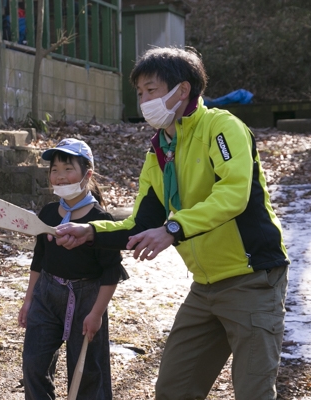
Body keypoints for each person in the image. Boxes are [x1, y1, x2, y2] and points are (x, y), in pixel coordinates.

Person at [53, 47, 289, 399]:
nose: (144, 101)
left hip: (253, 280)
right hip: (204, 288)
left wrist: (173, 229)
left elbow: (233, 195)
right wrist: (89, 231)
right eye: (140, 93)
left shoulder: (222, 128)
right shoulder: (160, 150)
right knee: (173, 390)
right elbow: (140, 223)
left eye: (152, 90)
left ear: (183, 90)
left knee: (254, 392)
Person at [19, 138, 128, 399]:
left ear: (86, 174)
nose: (60, 177)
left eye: (68, 169)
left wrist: (97, 314)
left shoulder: (100, 222)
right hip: (47, 295)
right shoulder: (47, 214)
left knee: (89, 373)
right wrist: (28, 300)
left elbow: (111, 273)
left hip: (88, 299)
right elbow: (39, 260)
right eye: (54, 170)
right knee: (34, 363)